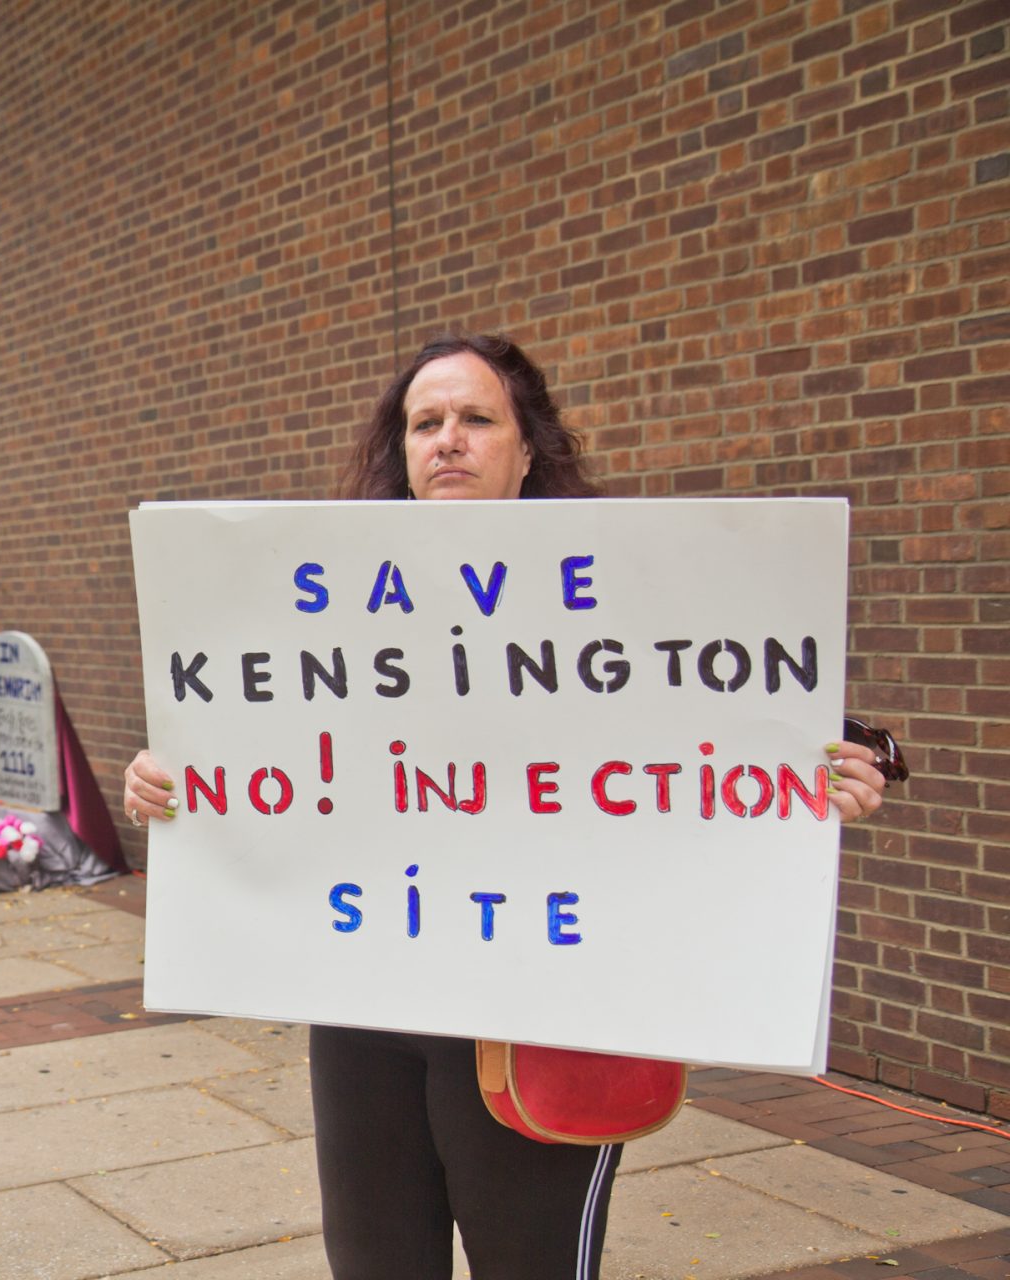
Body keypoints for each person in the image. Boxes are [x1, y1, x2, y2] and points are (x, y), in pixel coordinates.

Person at [119, 332, 894, 1280]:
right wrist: (178, 781)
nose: (448, 438)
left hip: (540, 1009)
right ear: (400, 453)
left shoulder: (627, 594)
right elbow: (260, 742)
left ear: (527, 450)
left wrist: (828, 775)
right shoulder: (318, 608)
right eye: (425, 422)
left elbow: (727, 729)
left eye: (477, 419)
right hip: (364, 1003)